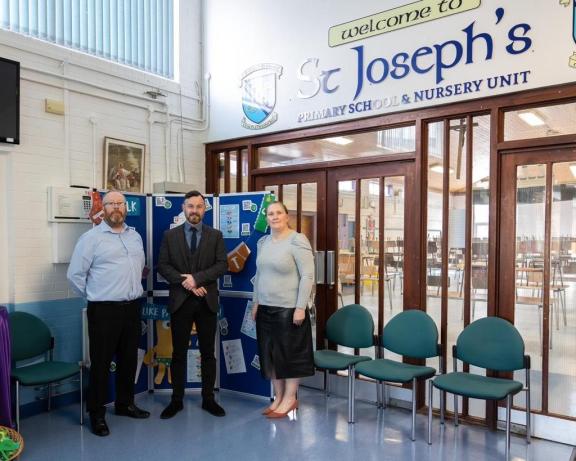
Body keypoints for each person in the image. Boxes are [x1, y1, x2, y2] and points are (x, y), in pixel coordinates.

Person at [67, 191, 150, 437]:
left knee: (127, 361)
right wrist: (95, 295)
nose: (116, 207)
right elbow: (74, 276)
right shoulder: (90, 239)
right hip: (104, 310)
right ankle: (97, 413)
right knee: (101, 365)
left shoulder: (135, 237)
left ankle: (125, 404)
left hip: (132, 308)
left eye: (120, 204)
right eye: (111, 203)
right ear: (103, 208)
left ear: (126, 208)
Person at [157, 190, 228, 419]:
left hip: (207, 302)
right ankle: (176, 400)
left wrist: (197, 279)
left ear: (204, 209)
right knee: (178, 353)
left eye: (199, 206)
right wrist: (186, 282)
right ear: (184, 208)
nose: (194, 211)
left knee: (208, 353)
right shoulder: (170, 236)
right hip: (181, 303)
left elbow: (221, 266)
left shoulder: (215, 235)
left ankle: (208, 399)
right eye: (190, 206)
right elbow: (163, 266)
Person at [251, 201, 315, 418]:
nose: (274, 216)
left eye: (279, 213)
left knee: (290, 356)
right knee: (270, 356)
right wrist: (256, 302)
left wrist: (300, 307)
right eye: (270, 213)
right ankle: (278, 397)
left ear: (287, 217)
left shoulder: (297, 240)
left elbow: (308, 276)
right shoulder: (263, 241)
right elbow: (259, 276)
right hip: (265, 308)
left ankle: (290, 398)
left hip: (289, 309)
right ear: (266, 218)